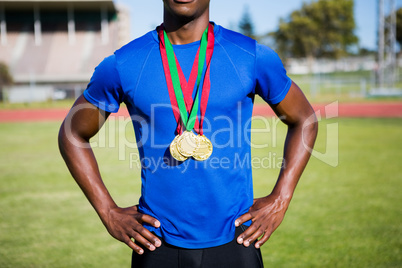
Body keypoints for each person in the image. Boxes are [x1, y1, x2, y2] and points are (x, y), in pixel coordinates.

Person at [58, 0, 318, 267]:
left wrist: (281, 197)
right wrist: (108, 210)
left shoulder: (250, 56)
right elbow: (72, 133)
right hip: (156, 243)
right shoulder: (123, 64)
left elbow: (305, 120)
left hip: (237, 241)